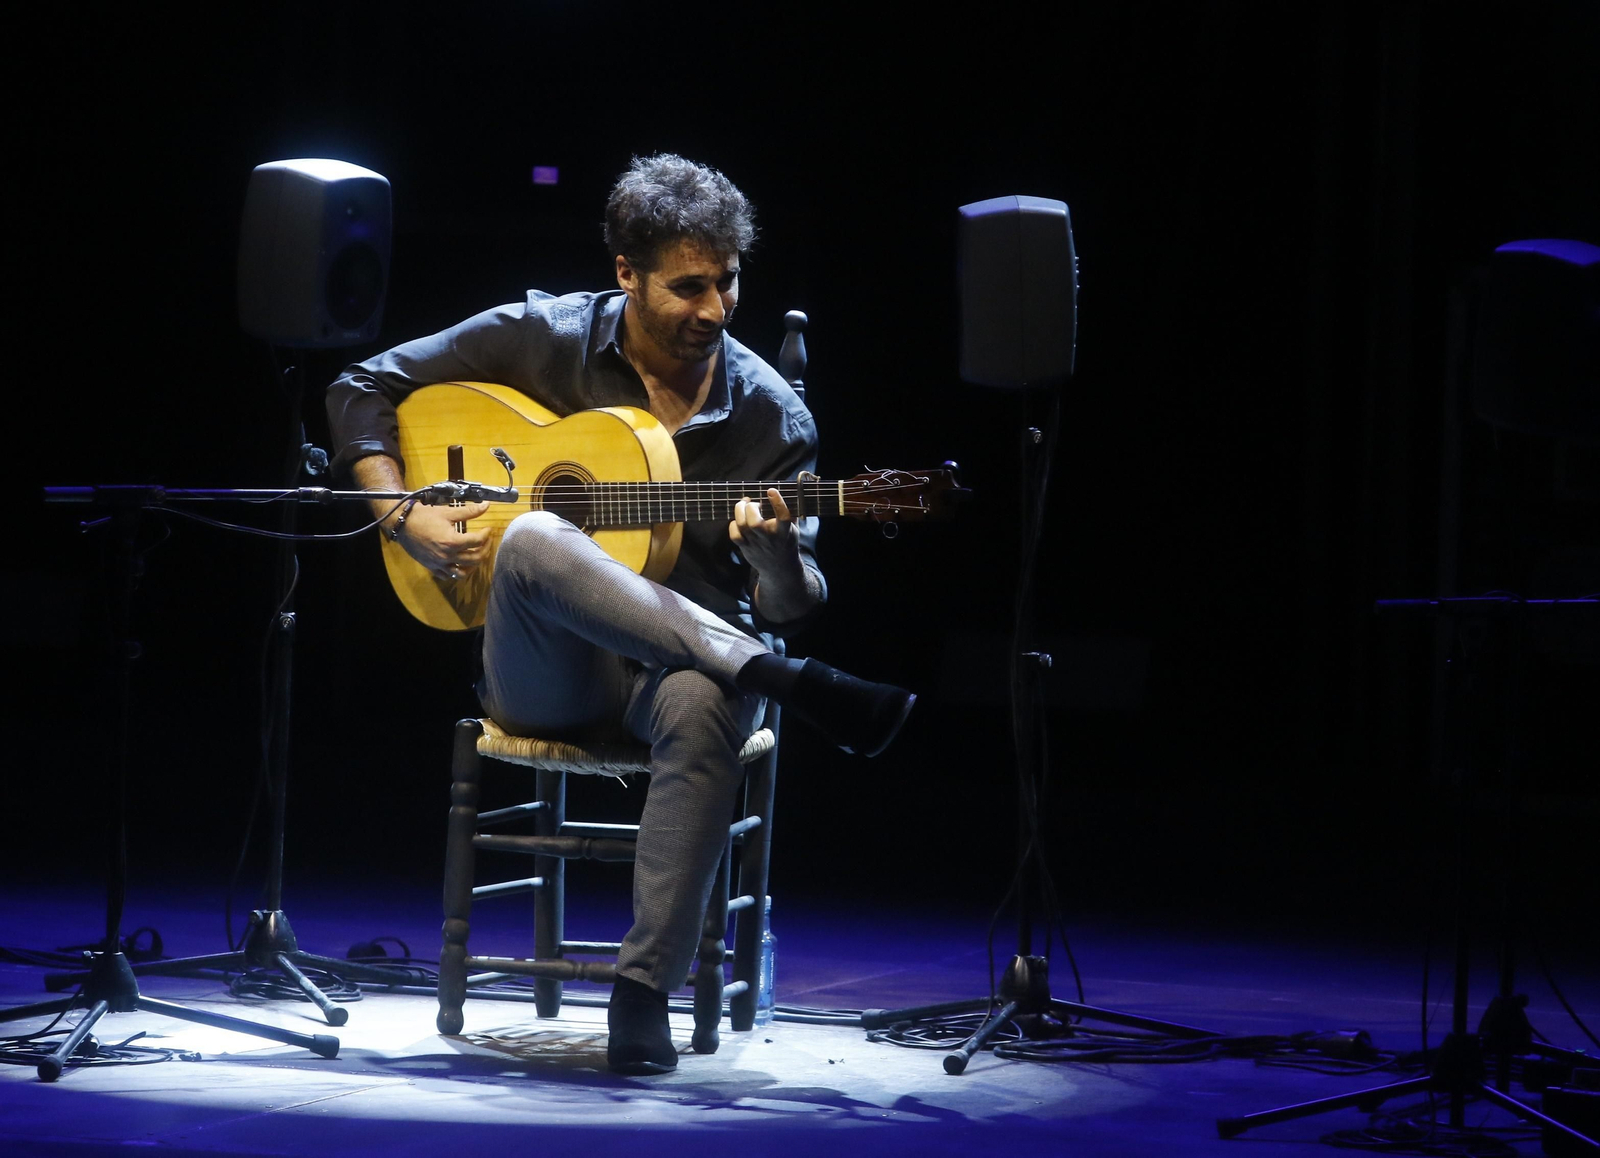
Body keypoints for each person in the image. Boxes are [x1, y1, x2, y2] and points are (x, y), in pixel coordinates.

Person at [325, 154, 914, 1074]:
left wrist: (775, 564)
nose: (714, 310)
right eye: (687, 287)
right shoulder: (542, 337)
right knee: (532, 541)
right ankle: (775, 680)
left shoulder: (774, 418)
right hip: (545, 673)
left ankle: (641, 997)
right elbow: (360, 385)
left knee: (708, 696)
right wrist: (398, 513)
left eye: (727, 283)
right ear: (625, 274)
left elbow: (791, 601)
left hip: (675, 683)